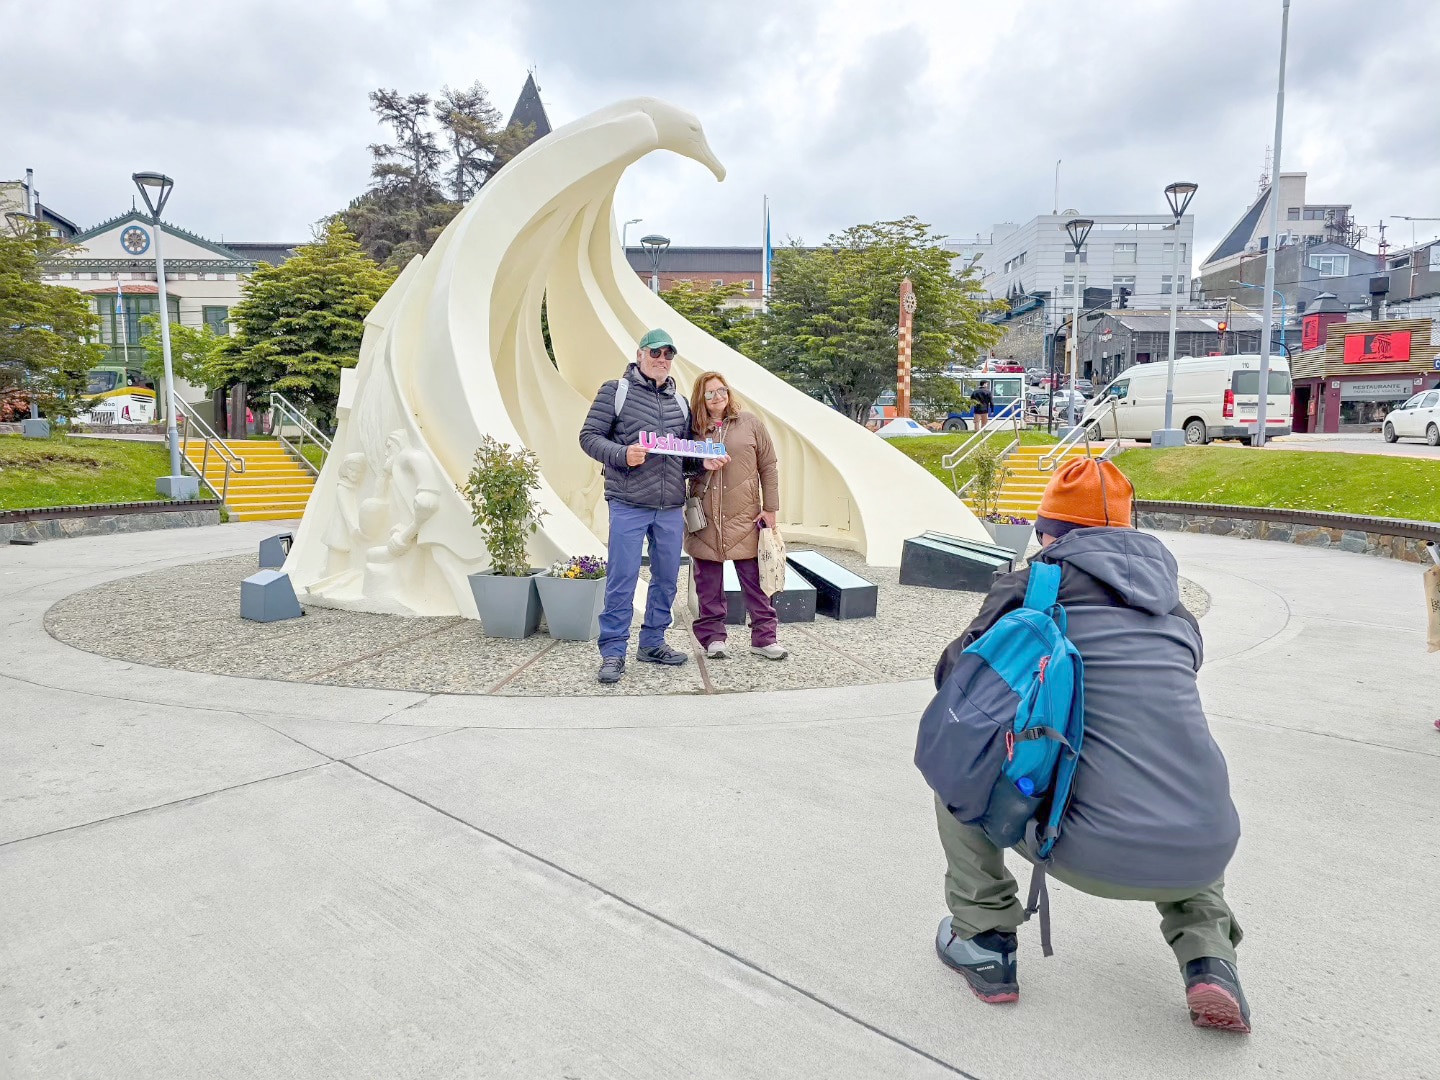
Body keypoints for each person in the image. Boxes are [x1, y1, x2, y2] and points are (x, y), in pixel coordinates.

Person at [929, 457, 1250, 1033]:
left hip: (1090, 852)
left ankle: (984, 940)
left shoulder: (1033, 590)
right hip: (1204, 851)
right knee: (1177, 776)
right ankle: (1210, 958)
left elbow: (955, 680)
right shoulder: (1175, 610)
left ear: (1049, 534)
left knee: (956, 763)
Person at [580, 329, 728, 685]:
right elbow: (588, 437)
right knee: (622, 579)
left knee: (666, 579)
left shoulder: (680, 403)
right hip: (628, 502)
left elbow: (684, 457)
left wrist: (701, 463)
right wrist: (622, 453)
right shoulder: (615, 391)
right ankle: (613, 651)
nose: (662, 359)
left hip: (670, 506)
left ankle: (652, 642)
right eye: (655, 352)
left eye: (668, 354)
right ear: (640, 354)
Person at [684, 371, 786, 661]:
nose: (718, 397)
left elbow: (768, 466)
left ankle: (765, 638)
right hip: (705, 517)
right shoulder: (692, 429)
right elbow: (681, 464)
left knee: (756, 581)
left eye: (722, 390)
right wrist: (700, 464)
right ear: (701, 398)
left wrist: (771, 508)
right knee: (708, 583)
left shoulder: (750, 423)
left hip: (746, 516)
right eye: (710, 393)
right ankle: (713, 638)